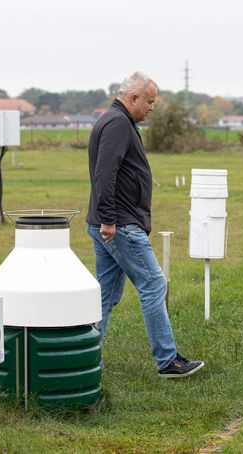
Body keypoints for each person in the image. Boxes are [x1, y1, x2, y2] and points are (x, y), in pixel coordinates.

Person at [86, 71, 204, 378]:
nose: (151, 108)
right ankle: (168, 361)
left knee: (106, 295)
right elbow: (106, 173)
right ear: (133, 97)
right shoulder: (117, 123)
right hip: (119, 225)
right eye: (149, 101)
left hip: (109, 222)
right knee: (154, 284)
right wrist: (109, 219)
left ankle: (85, 358)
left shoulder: (116, 120)